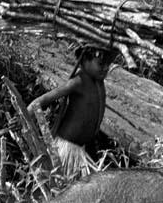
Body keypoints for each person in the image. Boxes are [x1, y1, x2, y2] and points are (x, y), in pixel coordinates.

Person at [27, 44, 117, 179]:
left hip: (83, 148)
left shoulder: (98, 82)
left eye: (108, 65)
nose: (105, 69)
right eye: (100, 64)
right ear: (84, 60)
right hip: (67, 149)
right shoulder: (78, 81)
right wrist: (24, 116)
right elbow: (41, 100)